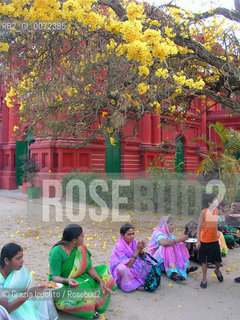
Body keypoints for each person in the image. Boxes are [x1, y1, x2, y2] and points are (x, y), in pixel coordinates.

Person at [48, 224, 116, 319]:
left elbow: (88, 267)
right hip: (62, 283)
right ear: (74, 240)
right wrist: (68, 280)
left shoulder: (80, 248)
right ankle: (90, 305)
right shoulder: (57, 252)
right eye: (82, 236)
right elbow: (54, 277)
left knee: (104, 270)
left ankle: (95, 300)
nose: (84, 237)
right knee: (83, 287)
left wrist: (100, 280)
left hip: (78, 277)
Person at [0, 242, 58, 320]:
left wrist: (39, 288)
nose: (22, 261)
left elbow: (22, 289)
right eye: (18, 258)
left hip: (18, 299)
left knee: (44, 292)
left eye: (22, 257)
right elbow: (6, 308)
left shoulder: (17, 270)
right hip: (6, 309)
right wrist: (29, 294)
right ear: (6, 261)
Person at [148, 216, 196, 281]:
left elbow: (175, 243)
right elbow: (164, 243)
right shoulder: (158, 233)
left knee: (180, 245)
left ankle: (182, 267)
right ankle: (172, 272)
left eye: (173, 224)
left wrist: (183, 241)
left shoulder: (169, 234)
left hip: (164, 258)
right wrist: (179, 239)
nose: (173, 226)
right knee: (167, 246)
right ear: (164, 225)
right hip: (156, 259)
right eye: (171, 225)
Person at [110, 223, 150, 292]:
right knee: (122, 268)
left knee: (148, 260)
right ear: (122, 236)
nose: (132, 236)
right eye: (129, 234)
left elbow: (142, 256)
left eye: (133, 233)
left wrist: (141, 250)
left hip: (132, 263)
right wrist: (137, 250)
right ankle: (129, 283)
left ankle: (137, 279)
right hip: (123, 267)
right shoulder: (119, 246)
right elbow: (128, 264)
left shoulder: (133, 242)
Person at [197, 193, 223, 289]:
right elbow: (199, 228)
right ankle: (204, 278)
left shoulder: (216, 210)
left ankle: (217, 270)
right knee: (204, 261)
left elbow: (223, 216)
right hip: (204, 241)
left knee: (217, 260)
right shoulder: (203, 213)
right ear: (209, 203)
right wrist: (198, 241)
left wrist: (232, 211)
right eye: (215, 199)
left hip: (214, 240)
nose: (217, 201)